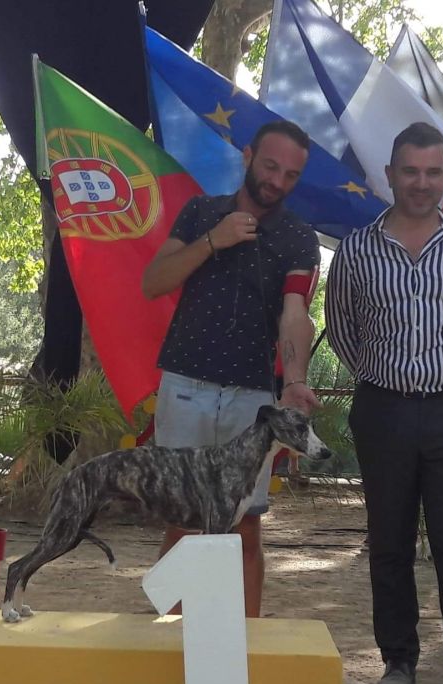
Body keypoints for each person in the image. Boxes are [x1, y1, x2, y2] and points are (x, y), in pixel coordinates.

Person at [325, 122, 443, 684]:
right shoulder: (356, 250)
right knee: (389, 542)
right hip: (383, 410)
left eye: (433, 172)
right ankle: (398, 659)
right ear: (390, 174)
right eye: (410, 171)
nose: (421, 183)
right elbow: (345, 333)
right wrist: (391, 379)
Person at [141, 120, 321, 618]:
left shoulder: (298, 237)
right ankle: (163, 648)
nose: (278, 181)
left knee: (245, 527)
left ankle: (247, 653)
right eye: (270, 165)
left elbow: (295, 313)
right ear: (247, 156)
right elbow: (153, 282)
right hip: (184, 387)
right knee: (183, 522)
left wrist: (297, 380)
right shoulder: (201, 211)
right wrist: (213, 242)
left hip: (252, 399)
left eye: (291, 174)